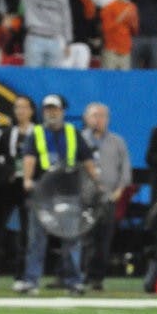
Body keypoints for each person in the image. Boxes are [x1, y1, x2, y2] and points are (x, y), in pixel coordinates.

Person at [19, 94, 99, 296]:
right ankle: (31, 280)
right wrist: (27, 180)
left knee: (71, 239)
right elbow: (29, 158)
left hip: (68, 192)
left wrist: (97, 182)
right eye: (47, 109)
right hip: (43, 194)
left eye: (55, 109)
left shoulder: (73, 133)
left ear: (62, 111)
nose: (51, 113)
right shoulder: (36, 133)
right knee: (37, 239)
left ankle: (73, 281)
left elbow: (87, 160)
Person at [0, 95, 35, 290]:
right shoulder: (8, 133)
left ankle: (24, 276)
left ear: (31, 111)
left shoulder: (38, 133)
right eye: (17, 107)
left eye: (24, 107)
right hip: (7, 188)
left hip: (30, 188)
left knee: (28, 234)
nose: (21, 111)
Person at [81, 103, 132, 290]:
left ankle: (97, 278)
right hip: (85, 198)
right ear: (86, 118)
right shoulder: (80, 139)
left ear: (108, 119)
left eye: (102, 115)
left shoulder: (117, 141)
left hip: (109, 198)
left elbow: (125, 169)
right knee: (84, 238)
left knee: (103, 239)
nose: (98, 119)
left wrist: (120, 190)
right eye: (94, 115)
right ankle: (81, 274)